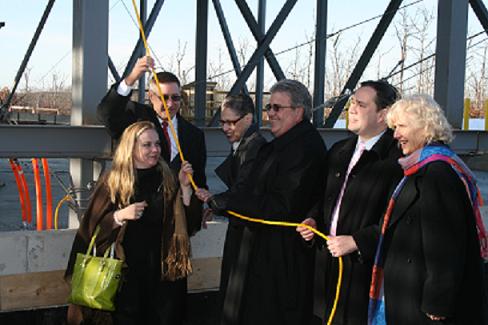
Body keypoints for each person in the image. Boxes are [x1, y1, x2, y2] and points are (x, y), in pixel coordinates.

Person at [97, 56, 207, 324]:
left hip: (171, 240)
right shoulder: (137, 120)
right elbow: (108, 113)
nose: (170, 104)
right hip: (135, 242)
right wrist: (132, 75)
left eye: (176, 98)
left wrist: (198, 204)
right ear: (150, 96)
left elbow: (197, 177)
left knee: (168, 309)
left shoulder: (194, 134)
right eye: (163, 98)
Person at [368, 94, 488, 325]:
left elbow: (446, 242)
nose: (395, 135)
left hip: (423, 300)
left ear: (424, 126)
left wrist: (438, 299)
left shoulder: (437, 174)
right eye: (394, 127)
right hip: (410, 288)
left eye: (401, 126)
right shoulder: (421, 167)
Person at [65, 121, 198, 324]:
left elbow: (188, 226)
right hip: (124, 278)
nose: (155, 150)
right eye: (147, 145)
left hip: (162, 277)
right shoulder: (114, 182)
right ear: (131, 147)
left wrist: (186, 189)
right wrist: (119, 216)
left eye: (157, 144)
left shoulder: (168, 178)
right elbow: (91, 231)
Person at [219, 79, 327, 325]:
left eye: (277, 108)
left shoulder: (303, 148)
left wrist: (229, 203)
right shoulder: (286, 144)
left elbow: (282, 206)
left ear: (298, 112)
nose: (270, 114)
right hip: (264, 255)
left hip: (279, 263)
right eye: (269, 107)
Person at [297, 80, 403, 325]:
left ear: (383, 114)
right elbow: (321, 196)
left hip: (363, 272)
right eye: (352, 103)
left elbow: (398, 219)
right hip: (326, 265)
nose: (351, 109)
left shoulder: (395, 160)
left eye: (361, 104)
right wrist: (313, 218)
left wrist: (357, 241)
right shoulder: (338, 150)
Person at [194, 94, 267, 319]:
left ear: (248, 118)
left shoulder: (254, 148)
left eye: (231, 122)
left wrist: (211, 200)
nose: (225, 128)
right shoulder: (245, 145)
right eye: (222, 122)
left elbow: (242, 191)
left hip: (249, 235)